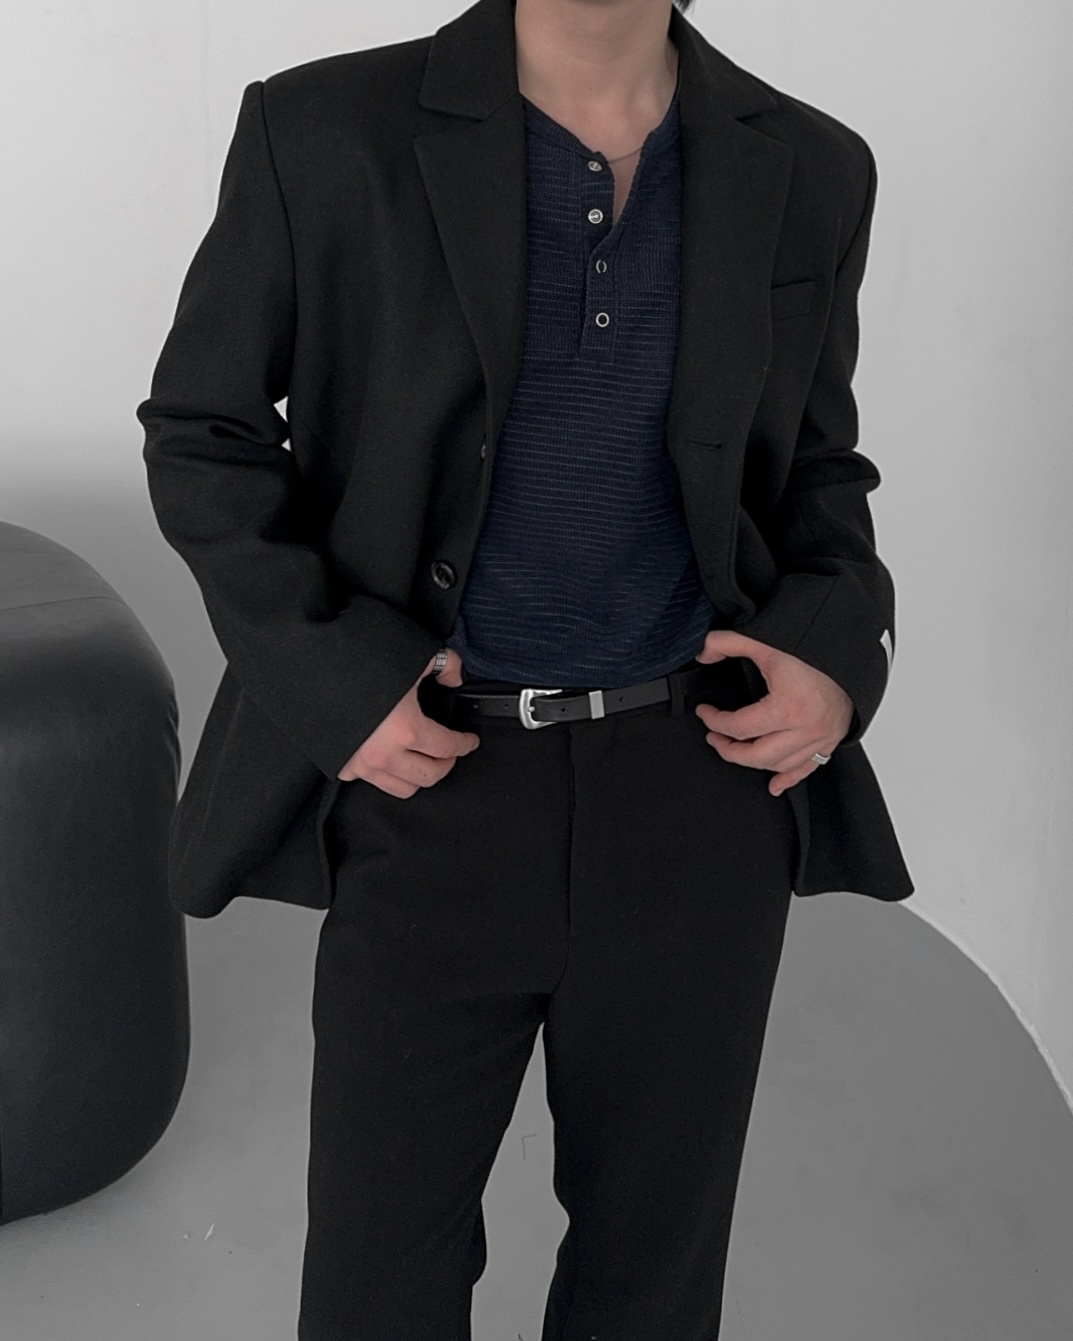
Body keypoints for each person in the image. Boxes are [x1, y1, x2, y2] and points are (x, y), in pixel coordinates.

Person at [137, 0, 914, 1335]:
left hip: (698, 790)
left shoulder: (812, 165)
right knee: (380, 1278)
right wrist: (335, 681)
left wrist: (836, 655)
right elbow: (203, 433)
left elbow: (819, 466)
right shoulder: (321, 131)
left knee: (654, 1277)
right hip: (430, 780)